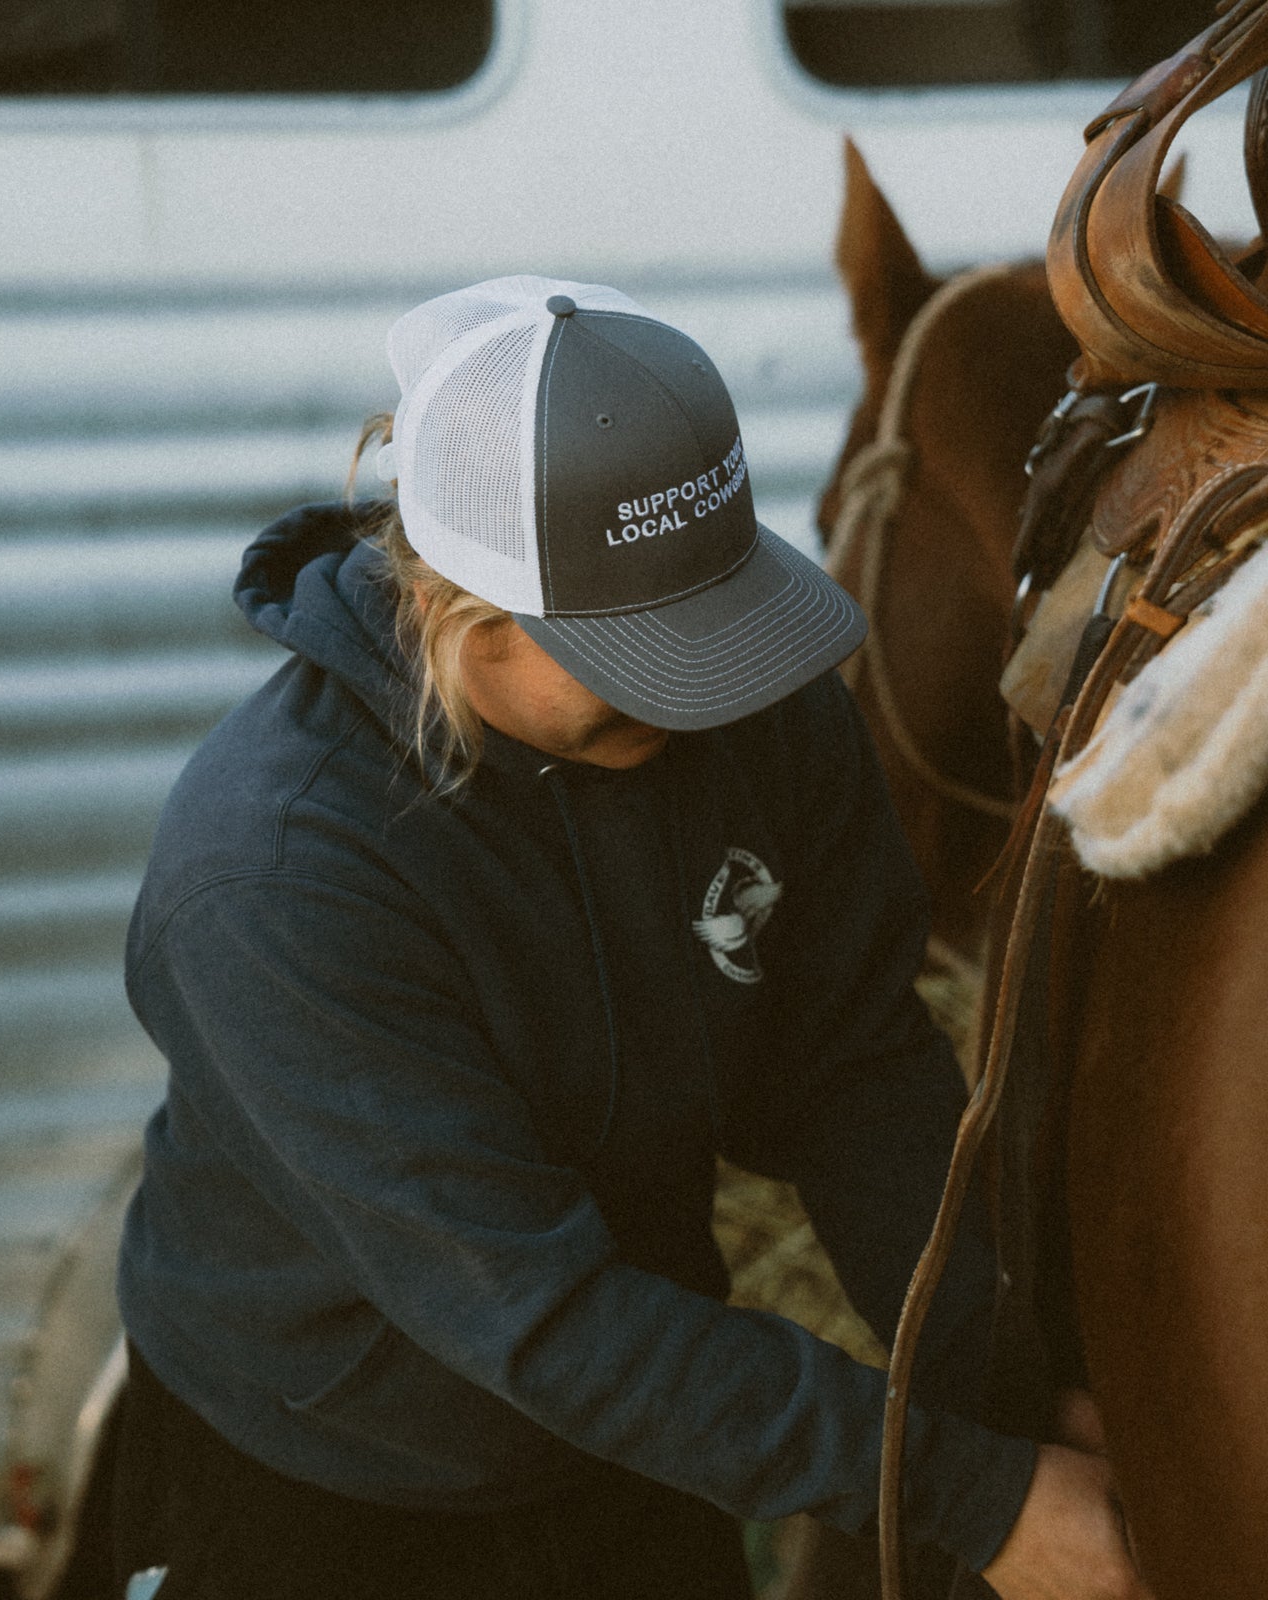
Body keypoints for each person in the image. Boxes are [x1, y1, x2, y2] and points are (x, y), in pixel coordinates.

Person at [112, 275, 1150, 1600]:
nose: (698, 696)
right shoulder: (278, 877)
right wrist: (975, 1500)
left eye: (708, 625)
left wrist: (996, 1382)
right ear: (456, 611)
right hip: (333, 1464)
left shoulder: (751, 715)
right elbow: (536, 1314)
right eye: (635, 655)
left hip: (650, 1414)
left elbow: (850, 1066)